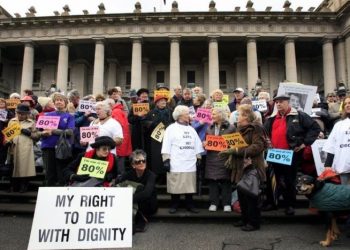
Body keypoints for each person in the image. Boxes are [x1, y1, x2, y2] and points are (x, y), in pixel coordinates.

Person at [264, 94, 320, 215]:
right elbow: (265, 133)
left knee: (289, 181)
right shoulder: (271, 118)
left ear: (288, 102)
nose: (278, 104)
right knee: (273, 180)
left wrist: (305, 143)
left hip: (291, 154)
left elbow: (315, 128)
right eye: (276, 102)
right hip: (275, 154)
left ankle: (290, 205)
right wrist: (267, 141)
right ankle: (272, 202)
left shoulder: (299, 115)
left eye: (281, 102)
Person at [220, 104, 267, 231]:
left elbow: (258, 146)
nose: (237, 116)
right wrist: (230, 151)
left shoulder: (256, 128)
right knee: (242, 196)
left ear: (246, 116)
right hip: (240, 167)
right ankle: (245, 219)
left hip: (252, 167)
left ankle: (253, 223)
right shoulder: (239, 128)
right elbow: (236, 146)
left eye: (239, 114)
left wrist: (235, 151)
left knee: (251, 197)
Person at [161, 105, 204, 214]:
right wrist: (166, 159)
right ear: (180, 116)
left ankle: (190, 204)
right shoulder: (171, 128)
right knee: (175, 184)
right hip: (176, 161)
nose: (189, 116)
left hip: (189, 161)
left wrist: (198, 157)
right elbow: (166, 144)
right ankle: (174, 204)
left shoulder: (191, 129)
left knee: (189, 184)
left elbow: (197, 144)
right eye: (187, 114)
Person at [116, 150, 158, 233]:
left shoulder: (151, 175)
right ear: (133, 165)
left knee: (140, 189)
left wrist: (127, 199)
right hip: (134, 203)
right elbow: (118, 183)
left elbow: (147, 193)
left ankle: (141, 221)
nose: (141, 163)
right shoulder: (128, 174)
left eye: (143, 161)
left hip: (149, 205)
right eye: (138, 161)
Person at [204, 107, 235, 212]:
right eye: (212, 114)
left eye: (214, 114)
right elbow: (206, 140)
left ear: (221, 115)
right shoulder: (209, 127)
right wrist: (204, 143)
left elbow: (235, 144)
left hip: (225, 157)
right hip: (212, 158)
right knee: (212, 181)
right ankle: (214, 203)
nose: (212, 116)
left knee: (226, 181)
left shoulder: (231, 128)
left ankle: (227, 203)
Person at [40, 93, 75, 186]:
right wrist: (42, 133)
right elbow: (38, 131)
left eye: (61, 100)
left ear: (66, 103)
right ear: (54, 103)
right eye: (57, 100)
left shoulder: (70, 116)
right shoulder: (46, 115)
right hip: (48, 146)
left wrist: (53, 131)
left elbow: (69, 132)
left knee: (61, 173)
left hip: (62, 148)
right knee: (49, 173)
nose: (59, 102)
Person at [6, 104, 40, 192]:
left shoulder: (31, 122)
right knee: (13, 167)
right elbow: (7, 135)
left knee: (24, 167)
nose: (20, 115)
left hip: (25, 148)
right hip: (14, 147)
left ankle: (24, 185)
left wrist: (29, 133)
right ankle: (14, 185)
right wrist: (7, 141)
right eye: (19, 113)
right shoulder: (12, 121)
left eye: (22, 114)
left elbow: (37, 136)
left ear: (27, 114)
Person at [143, 94, 172, 181]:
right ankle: (157, 176)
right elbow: (145, 123)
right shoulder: (151, 112)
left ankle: (165, 175)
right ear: (157, 103)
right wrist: (152, 124)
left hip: (168, 137)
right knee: (156, 157)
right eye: (161, 101)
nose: (164, 102)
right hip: (155, 139)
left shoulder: (170, 111)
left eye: (164, 100)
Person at [323, 96, 350, 185]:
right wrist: (327, 165)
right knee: (345, 194)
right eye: (345, 104)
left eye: (349, 103)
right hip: (344, 166)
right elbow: (331, 146)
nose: (347, 105)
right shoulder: (339, 125)